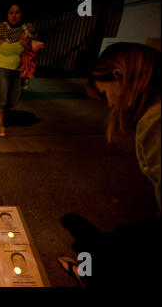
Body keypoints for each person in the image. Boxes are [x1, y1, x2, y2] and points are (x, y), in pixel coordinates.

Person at [58, 43, 161, 287]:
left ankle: (89, 275)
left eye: (105, 94)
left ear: (119, 76)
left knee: (120, 250)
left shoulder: (156, 121)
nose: (109, 103)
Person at [0, 3, 38, 137]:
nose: (14, 16)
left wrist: (27, 44)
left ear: (22, 13)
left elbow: (34, 50)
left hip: (18, 69)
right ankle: (1, 125)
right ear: (6, 14)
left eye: (17, 12)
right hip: (0, 68)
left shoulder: (27, 29)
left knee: (14, 100)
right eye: (11, 12)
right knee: (3, 98)